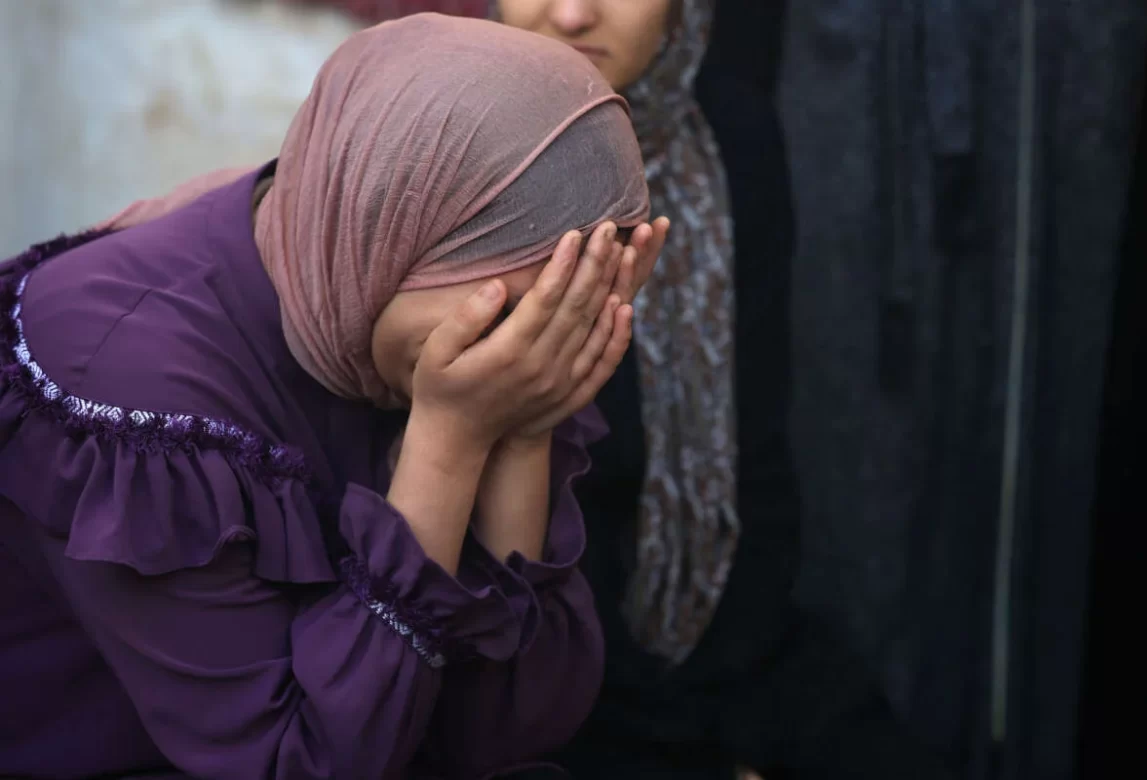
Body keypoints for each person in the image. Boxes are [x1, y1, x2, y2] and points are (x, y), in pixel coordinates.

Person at [0, 14, 670, 779]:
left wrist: (519, 435)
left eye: (558, 319)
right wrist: (448, 446)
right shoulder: (124, 379)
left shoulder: (414, 324)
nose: (516, 353)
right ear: (392, 230)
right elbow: (304, 765)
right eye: (501, 312)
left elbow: (504, 739)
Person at [416, 1, 951, 777]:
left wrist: (735, 701)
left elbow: (756, 450)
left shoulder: (730, 137)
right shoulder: (435, 164)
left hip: (727, 643)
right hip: (514, 666)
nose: (571, 13)